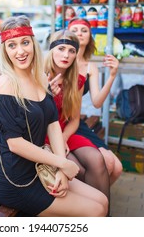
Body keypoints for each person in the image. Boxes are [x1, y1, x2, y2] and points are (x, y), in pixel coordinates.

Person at [0, 15, 108, 217]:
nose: (20, 51)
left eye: (25, 43)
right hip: (18, 182)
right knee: (96, 211)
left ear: (34, 44)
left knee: (102, 200)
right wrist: (62, 163)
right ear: (5, 50)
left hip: (42, 169)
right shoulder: (6, 83)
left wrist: (61, 169)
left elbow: (53, 124)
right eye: (12, 45)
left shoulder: (40, 80)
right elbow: (15, 144)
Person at [44, 29, 111, 201]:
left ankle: (103, 214)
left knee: (97, 159)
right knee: (78, 169)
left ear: (76, 55)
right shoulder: (39, 76)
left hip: (65, 132)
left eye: (71, 50)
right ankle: (90, 208)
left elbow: (74, 119)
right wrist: (46, 94)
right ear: (51, 49)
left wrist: (64, 137)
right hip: (43, 135)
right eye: (61, 48)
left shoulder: (77, 80)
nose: (66, 54)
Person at [68, 17, 123, 185]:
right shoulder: (62, 59)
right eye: (74, 30)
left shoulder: (91, 66)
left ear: (90, 36)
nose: (79, 33)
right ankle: (96, 203)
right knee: (107, 163)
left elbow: (97, 102)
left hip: (78, 123)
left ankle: (99, 201)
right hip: (62, 123)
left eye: (84, 30)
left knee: (117, 167)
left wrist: (112, 75)